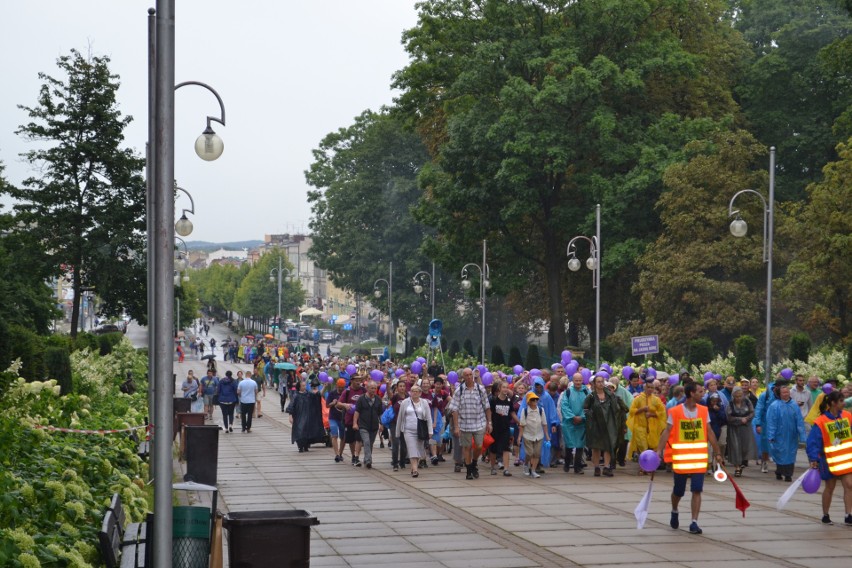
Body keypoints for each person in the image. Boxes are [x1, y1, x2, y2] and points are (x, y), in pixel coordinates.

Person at [656, 382, 724, 535]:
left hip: (699, 459)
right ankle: (674, 509)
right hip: (681, 459)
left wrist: (718, 453)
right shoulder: (675, 411)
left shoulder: (703, 410)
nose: (703, 393)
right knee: (678, 491)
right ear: (692, 393)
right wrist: (659, 450)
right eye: (700, 391)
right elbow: (667, 432)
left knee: (697, 490)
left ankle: (694, 522)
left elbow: (710, 432)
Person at [806, 391, 852, 525]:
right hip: (829, 460)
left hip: (846, 459)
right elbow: (813, 442)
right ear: (833, 403)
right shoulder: (821, 421)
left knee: (849, 485)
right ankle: (825, 514)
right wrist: (814, 459)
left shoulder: (848, 417)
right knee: (830, 487)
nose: (844, 403)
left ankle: (848, 514)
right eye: (842, 401)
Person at [583, 374, 628, 477]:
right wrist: (591, 417)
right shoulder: (591, 396)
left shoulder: (610, 395)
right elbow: (585, 409)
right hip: (596, 425)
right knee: (596, 447)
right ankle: (596, 467)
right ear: (594, 384)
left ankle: (607, 467)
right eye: (598, 382)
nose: (600, 384)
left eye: (602, 381)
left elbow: (618, 408)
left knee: (609, 446)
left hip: (609, 425)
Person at [453, 368, 492, 480]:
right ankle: (469, 469)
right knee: (467, 447)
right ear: (463, 377)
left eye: (471, 375)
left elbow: (487, 407)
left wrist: (489, 422)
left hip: (479, 422)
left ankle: (474, 462)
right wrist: (456, 426)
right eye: (467, 375)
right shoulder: (459, 390)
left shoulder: (480, 389)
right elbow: (454, 409)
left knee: (479, 446)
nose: (469, 377)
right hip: (465, 423)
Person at [766, 384, 806, 482]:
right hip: (779, 435)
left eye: (787, 392)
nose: (786, 394)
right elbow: (771, 422)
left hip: (792, 435)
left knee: (791, 454)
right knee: (780, 453)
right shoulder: (774, 406)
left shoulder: (794, 405)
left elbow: (799, 421)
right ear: (779, 394)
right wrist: (771, 435)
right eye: (783, 392)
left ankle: (788, 474)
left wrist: (802, 435)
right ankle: (779, 471)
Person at [395, 384, 432, 478]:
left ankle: (413, 466)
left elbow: (428, 417)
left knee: (419, 449)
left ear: (420, 393)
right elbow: (400, 417)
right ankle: (415, 469)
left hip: (421, 431)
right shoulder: (405, 402)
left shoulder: (424, 403)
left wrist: (430, 431)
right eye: (412, 391)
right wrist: (398, 431)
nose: (414, 393)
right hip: (408, 430)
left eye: (416, 391)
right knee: (412, 448)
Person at [627, 381, 666, 470]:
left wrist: (652, 414)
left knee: (652, 447)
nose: (650, 389)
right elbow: (632, 410)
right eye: (648, 387)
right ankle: (643, 467)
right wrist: (641, 409)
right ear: (644, 388)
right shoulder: (638, 399)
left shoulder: (656, 400)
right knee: (643, 448)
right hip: (640, 427)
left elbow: (662, 412)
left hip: (652, 428)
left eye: (652, 388)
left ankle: (650, 466)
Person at [560, 373, 589, 474]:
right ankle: (567, 463)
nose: (578, 382)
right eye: (576, 380)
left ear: (582, 380)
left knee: (580, 445)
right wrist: (572, 417)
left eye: (580, 380)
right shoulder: (567, 392)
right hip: (569, 423)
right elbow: (564, 406)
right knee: (569, 444)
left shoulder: (587, 391)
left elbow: (589, 406)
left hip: (582, 423)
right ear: (573, 381)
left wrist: (582, 417)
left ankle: (578, 466)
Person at [287, 379, 325, 452]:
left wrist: (324, 387)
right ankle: (300, 446)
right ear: (299, 387)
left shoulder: (308, 394)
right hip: (299, 416)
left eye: (305, 385)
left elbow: (317, 395)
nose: (304, 387)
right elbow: (291, 405)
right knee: (299, 430)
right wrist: (290, 416)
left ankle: (306, 445)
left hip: (308, 415)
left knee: (307, 430)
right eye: (303, 386)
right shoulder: (296, 395)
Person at [337, 374, 366, 466]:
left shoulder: (364, 390)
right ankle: (354, 456)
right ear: (352, 381)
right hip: (349, 419)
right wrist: (345, 405)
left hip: (361, 419)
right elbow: (338, 404)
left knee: (359, 439)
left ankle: (356, 456)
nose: (358, 382)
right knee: (351, 440)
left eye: (360, 380)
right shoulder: (347, 391)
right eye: (356, 380)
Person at [353, 380, 383, 468]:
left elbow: (380, 413)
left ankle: (366, 459)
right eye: (371, 388)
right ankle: (369, 460)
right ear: (367, 388)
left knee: (370, 443)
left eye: (375, 388)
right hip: (363, 425)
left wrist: (382, 424)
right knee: (366, 442)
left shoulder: (378, 399)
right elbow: (357, 412)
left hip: (374, 426)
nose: (373, 390)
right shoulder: (361, 399)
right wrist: (355, 423)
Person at [519, 391, 549, 478]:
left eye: (536, 399)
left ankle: (533, 470)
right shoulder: (525, 411)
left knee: (537, 453)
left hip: (539, 435)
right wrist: (520, 437)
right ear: (529, 401)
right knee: (529, 453)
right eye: (533, 400)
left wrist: (547, 435)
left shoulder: (540, 410)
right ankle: (526, 463)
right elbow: (522, 425)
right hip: (528, 435)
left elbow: (544, 423)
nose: (535, 401)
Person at [727, 386, 756, 476]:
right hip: (734, 428)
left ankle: (743, 462)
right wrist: (739, 419)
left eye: (740, 396)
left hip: (745, 427)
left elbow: (752, 412)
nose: (738, 398)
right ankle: (737, 468)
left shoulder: (747, 401)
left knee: (745, 447)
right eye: (737, 396)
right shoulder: (731, 403)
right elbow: (729, 416)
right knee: (735, 447)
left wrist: (746, 419)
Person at [489, 379, 514, 477]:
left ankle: (506, 469)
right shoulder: (494, 400)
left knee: (506, 448)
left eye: (507, 387)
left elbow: (512, 412)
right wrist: (489, 423)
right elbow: (490, 413)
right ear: (499, 388)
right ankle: (492, 467)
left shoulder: (508, 401)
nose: (505, 389)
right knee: (493, 449)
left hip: (505, 427)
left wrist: (519, 422)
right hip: (495, 427)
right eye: (504, 387)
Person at [389, 379, 409, 471]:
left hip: (406, 424)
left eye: (403, 386)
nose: (402, 388)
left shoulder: (408, 397)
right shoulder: (395, 397)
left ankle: (402, 462)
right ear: (397, 388)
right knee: (396, 443)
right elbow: (389, 395)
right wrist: (387, 385)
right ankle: (395, 463)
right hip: (395, 423)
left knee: (404, 445)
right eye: (400, 386)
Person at [326, 379, 346, 463]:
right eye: (339, 387)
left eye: (342, 387)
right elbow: (327, 405)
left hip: (343, 418)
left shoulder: (346, 393)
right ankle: (337, 454)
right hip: (333, 417)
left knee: (343, 437)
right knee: (334, 435)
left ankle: (340, 453)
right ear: (337, 385)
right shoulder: (332, 393)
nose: (341, 389)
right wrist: (333, 403)